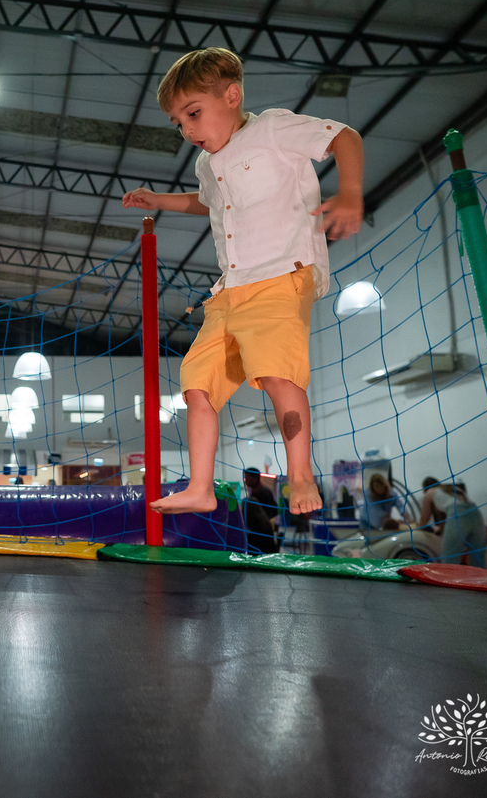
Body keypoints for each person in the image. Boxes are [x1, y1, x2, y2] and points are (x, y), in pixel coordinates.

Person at [122, 47, 364, 516]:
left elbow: (344, 137)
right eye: (178, 122)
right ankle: (200, 487)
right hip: (229, 290)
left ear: (232, 96)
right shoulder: (205, 165)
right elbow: (206, 203)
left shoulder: (272, 128)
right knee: (196, 386)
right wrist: (159, 199)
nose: (187, 129)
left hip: (281, 275)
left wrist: (350, 191)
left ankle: (299, 475)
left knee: (277, 373)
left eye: (193, 113)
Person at [419, 482, 487, 567]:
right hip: (476, 512)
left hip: (457, 514)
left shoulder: (429, 493)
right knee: (478, 558)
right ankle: (479, 579)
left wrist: (417, 530)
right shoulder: (450, 488)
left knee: (450, 559)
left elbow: (424, 518)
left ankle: (448, 579)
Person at [242, 467, 280, 554]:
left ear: (255, 478)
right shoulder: (253, 493)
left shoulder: (264, 493)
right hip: (255, 535)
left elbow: (273, 511)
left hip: (262, 537)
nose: (246, 480)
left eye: (248, 477)